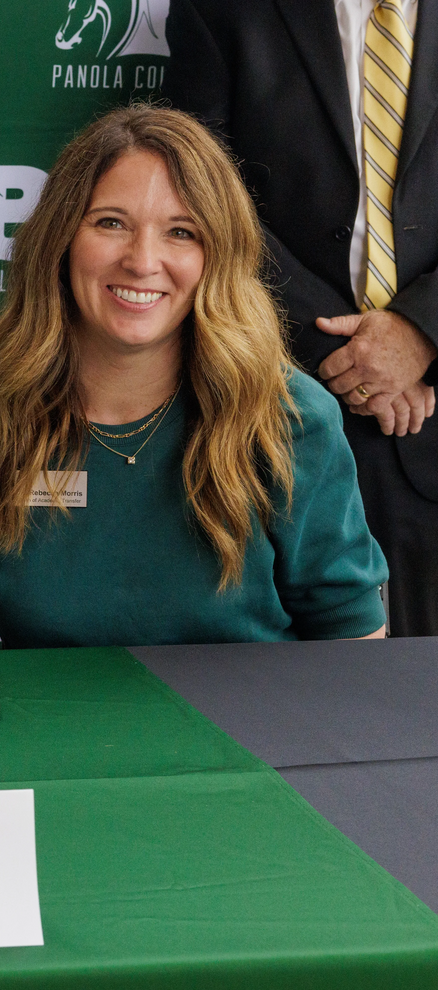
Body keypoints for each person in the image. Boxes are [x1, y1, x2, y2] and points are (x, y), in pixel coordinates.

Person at [0, 106, 388, 650]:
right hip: (47, 733)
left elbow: (352, 649)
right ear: (59, 239)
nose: (142, 260)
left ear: (217, 257)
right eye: (111, 223)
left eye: (181, 232)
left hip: (251, 734)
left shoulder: (288, 422)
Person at [167, 0, 438, 636]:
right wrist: (351, 356)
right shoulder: (220, 10)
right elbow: (198, 192)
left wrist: (422, 331)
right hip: (274, 412)